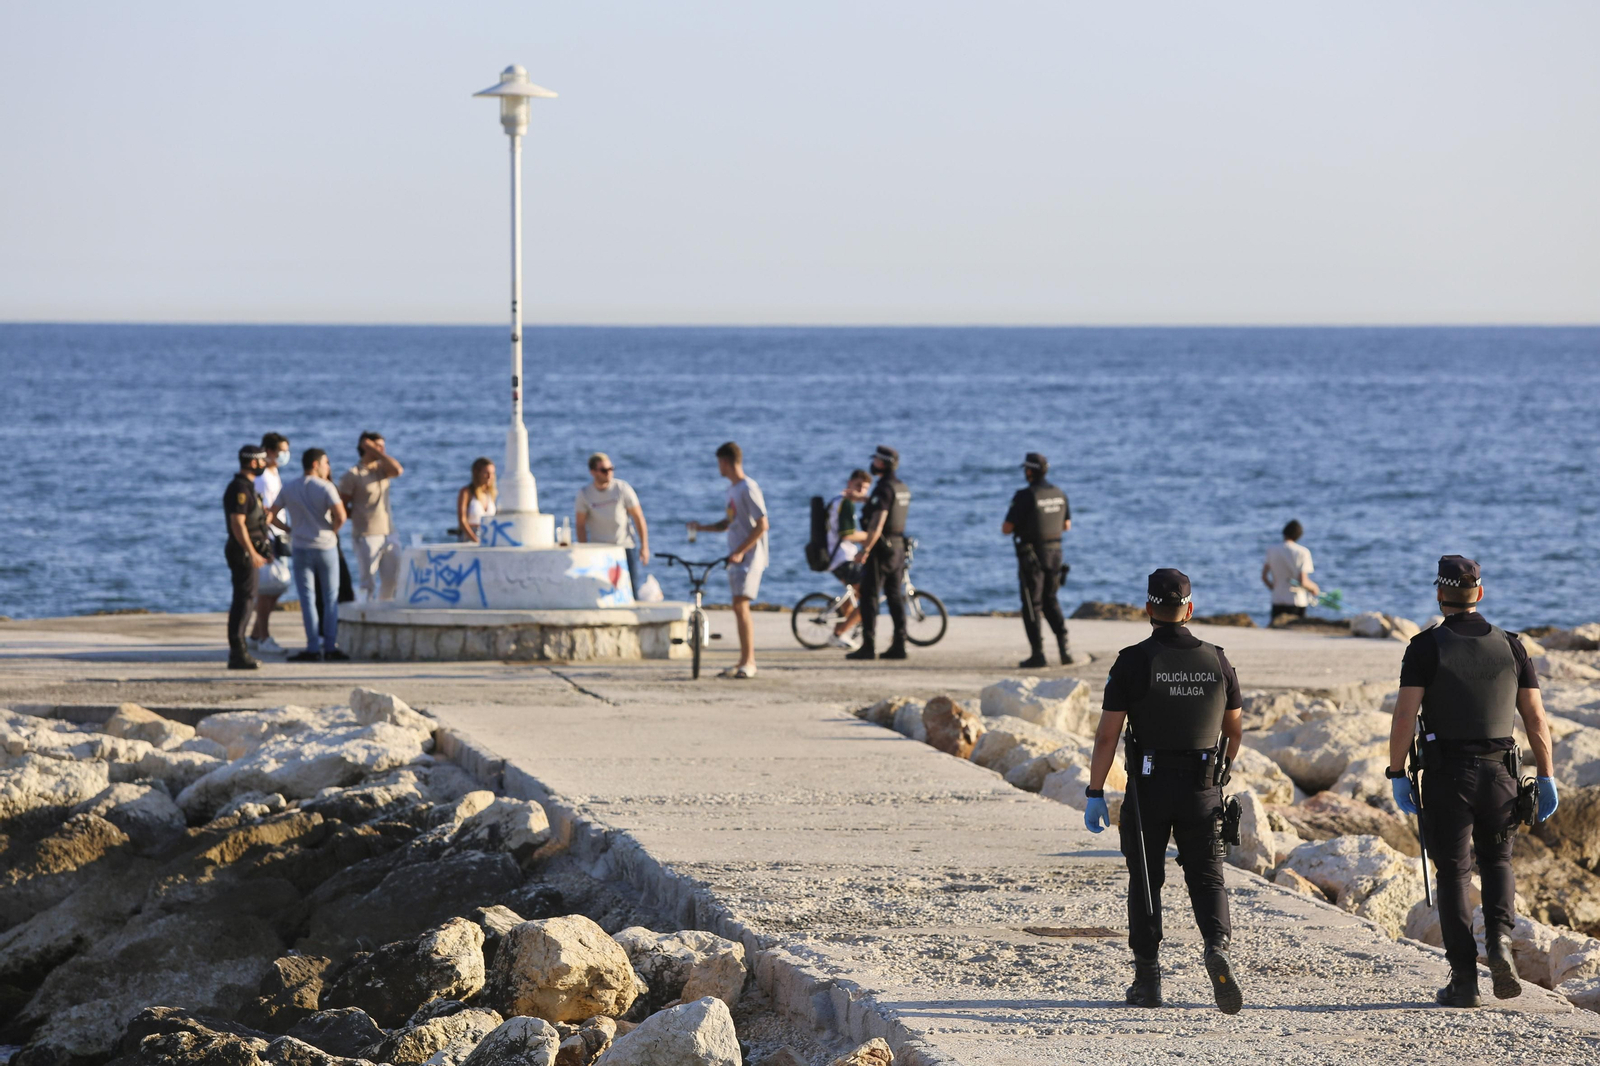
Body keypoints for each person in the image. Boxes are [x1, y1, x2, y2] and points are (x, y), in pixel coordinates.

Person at [1387, 555, 1559, 1008]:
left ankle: (1464, 979)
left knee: (1455, 874)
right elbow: (1536, 719)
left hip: (1448, 777)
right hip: (1502, 773)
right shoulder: (1511, 646)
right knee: (1498, 861)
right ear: (1479, 593)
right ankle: (1500, 942)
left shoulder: (1424, 647)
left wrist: (1397, 771)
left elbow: (1405, 715)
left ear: (1439, 594)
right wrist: (1546, 776)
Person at [1083, 568, 1245, 1015]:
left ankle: (1148, 980)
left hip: (1148, 787)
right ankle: (1216, 945)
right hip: (1202, 782)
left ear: (1148, 608)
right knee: (1208, 874)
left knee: (1147, 878)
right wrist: (1220, 774)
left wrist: (1095, 791)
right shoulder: (1217, 659)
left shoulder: (1132, 661)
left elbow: (1106, 737)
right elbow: (1234, 730)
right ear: (1189, 609)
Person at [688, 441, 769, 679]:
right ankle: (743, 659)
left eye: (719, 463)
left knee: (741, 606)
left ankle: (750, 662)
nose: (718, 468)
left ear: (725, 461)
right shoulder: (732, 490)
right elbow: (729, 523)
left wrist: (742, 550)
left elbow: (763, 524)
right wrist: (700, 528)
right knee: (737, 606)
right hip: (737, 555)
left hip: (750, 556)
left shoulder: (748, 488)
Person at [1001, 452, 1077, 667]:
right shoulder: (1059, 493)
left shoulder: (1026, 495)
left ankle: (1038, 654)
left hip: (1031, 556)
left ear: (1029, 471)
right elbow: (1066, 525)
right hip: (1055, 554)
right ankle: (1065, 649)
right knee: (1050, 600)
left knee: (1032, 604)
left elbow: (1007, 529)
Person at [274, 448, 349, 662]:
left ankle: (312, 647)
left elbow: (270, 514)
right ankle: (331, 646)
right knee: (330, 597)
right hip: (325, 547)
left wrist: (289, 529)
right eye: (326, 462)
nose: (328, 467)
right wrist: (332, 530)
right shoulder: (326, 487)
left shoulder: (289, 487)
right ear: (316, 464)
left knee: (307, 599)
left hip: (300, 546)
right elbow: (341, 516)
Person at [846, 445, 911, 661]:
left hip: (881, 550)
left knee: (869, 597)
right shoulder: (901, 487)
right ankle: (899, 645)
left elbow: (878, 522)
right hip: (898, 548)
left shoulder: (883, 488)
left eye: (875, 460)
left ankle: (868, 645)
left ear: (881, 463)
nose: (872, 463)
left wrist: (865, 550)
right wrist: (863, 499)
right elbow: (888, 508)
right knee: (894, 597)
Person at [223, 444, 272, 671]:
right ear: (253, 462)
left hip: (247, 549)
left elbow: (253, 520)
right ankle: (238, 651)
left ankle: (239, 650)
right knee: (244, 601)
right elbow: (237, 522)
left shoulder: (249, 488)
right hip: (242, 552)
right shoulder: (240, 488)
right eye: (262, 461)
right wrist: (251, 552)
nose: (265, 465)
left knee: (247, 599)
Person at [338, 431, 403, 602]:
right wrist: (359, 516)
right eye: (378, 445)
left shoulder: (383, 470)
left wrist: (378, 452)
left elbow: (398, 470)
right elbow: (341, 505)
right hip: (366, 534)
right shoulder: (353, 474)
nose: (383, 449)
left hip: (389, 531)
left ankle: (384, 611)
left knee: (394, 578)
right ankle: (366, 612)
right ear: (365, 447)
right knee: (368, 582)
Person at [575, 452, 650, 596]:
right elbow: (580, 525)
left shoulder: (622, 488)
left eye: (611, 468)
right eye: (604, 470)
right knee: (601, 592)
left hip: (625, 547)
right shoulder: (584, 494)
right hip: (599, 550)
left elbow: (638, 517)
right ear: (593, 472)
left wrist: (644, 547)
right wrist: (583, 550)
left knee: (631, 591)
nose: (609, 473)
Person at [247, 432, 291, 656]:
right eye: (281, 451)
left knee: (277, 587)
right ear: (270, 452)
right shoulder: (264, 478)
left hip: (278, 537)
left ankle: (255, 634)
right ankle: (263, 637)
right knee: (267, 590)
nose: (285, 455)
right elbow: (264, 513)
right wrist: (266, 542)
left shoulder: (273, 474)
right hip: (270, 539)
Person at [824, 469, 871, 649]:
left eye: (864, 488)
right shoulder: (846, 504)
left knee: (854, 596)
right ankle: (838, 634)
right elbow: (847, 534)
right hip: (842, 558)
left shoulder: (837, 500)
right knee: (868, 597)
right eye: (858, 486)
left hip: (835, 557)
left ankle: (841, 629)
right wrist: (870, 536)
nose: (860, 490)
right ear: (849, 483)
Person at [1262, 520, 1320, 623]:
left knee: (1276, 631)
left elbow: (1264, 576)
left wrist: (1273, 587)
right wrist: (1314, 588)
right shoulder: (1303, 552)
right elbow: (1303, 581)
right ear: (1299, 535)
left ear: (1284, 532)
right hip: (1296, 600)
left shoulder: (1271, 550)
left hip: (1277, 598)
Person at [456, 457, 497, 542]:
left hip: (488, 536)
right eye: (486, 473)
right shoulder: (467, 492)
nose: (490, 477)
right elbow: (462, 521)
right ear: (477, 473)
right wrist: (475, 540)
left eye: (492, 473)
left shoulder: (491, 494)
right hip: (470, 537)